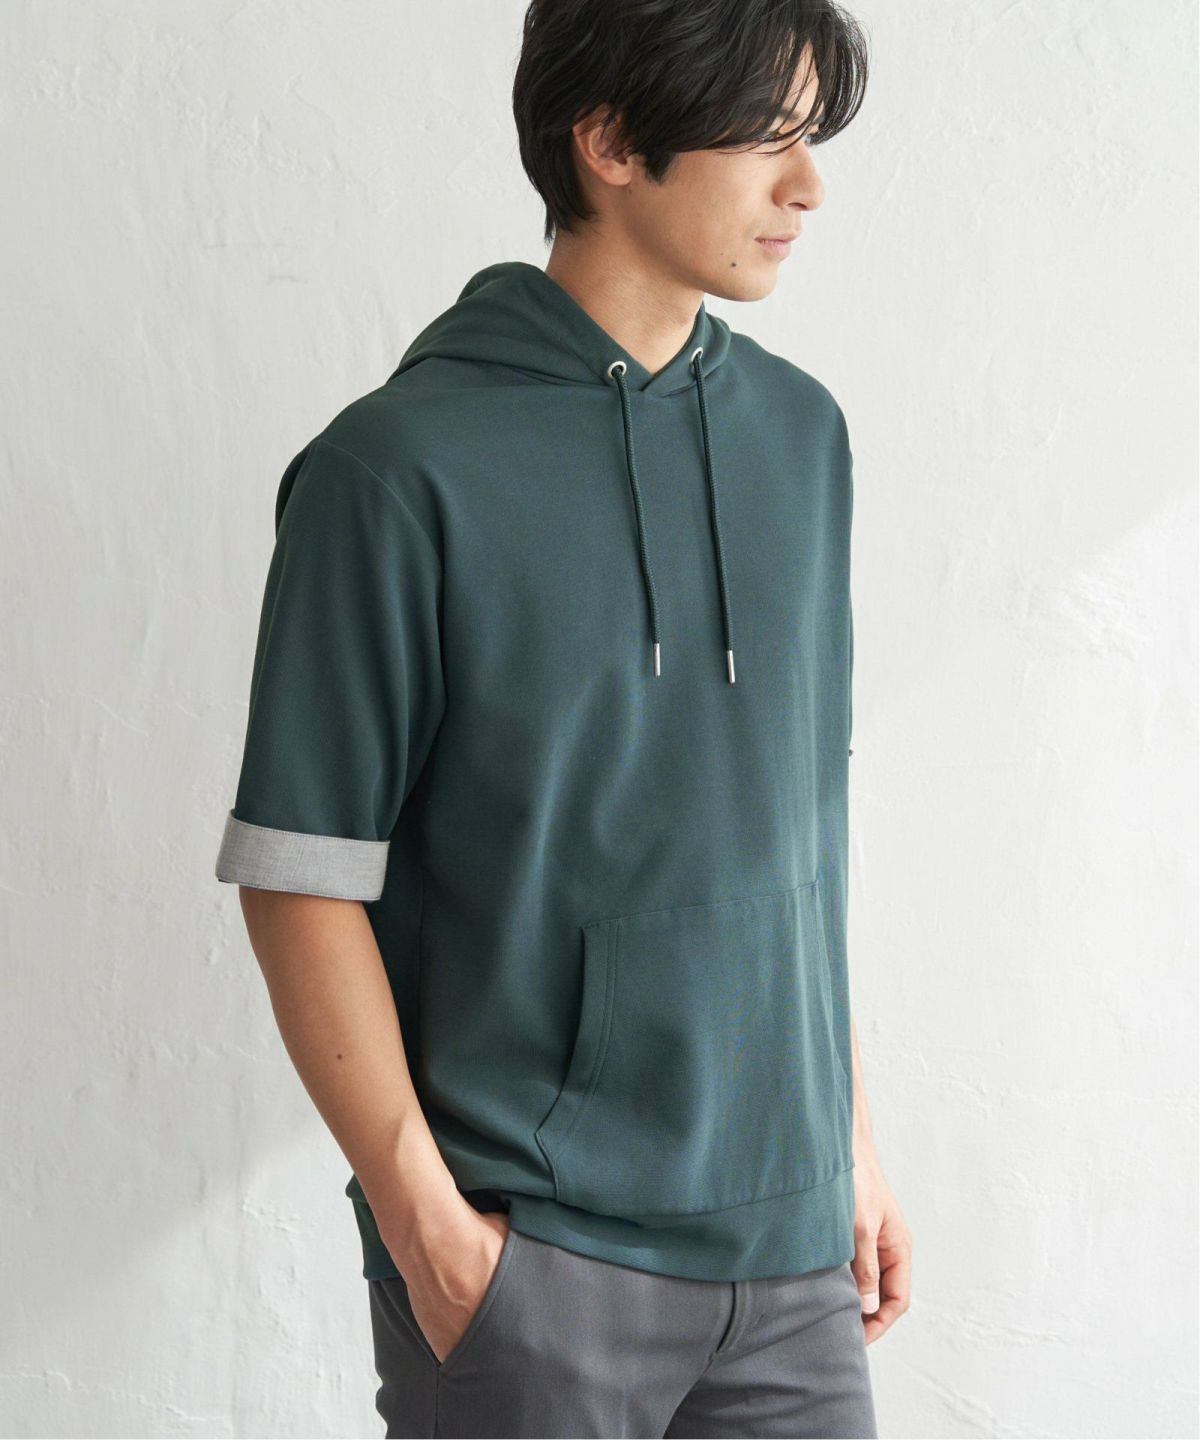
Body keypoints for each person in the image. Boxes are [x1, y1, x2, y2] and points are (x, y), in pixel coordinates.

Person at [214, 1, 911, 1434]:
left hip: (793, 1261)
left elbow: (797, 830)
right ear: (608, 141)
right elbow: (300, 875)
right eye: (767, 139)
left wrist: (847, 1142)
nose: (808, 187)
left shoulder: (803, 439)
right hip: (534, 1268)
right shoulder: (396, 471)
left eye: (813, 139)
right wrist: (430, 1234)